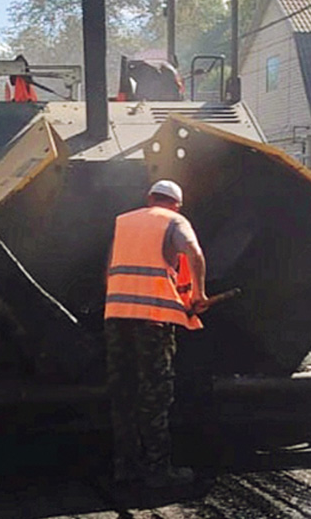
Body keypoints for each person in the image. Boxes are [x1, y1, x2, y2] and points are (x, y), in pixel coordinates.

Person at [104, 180, 209, 488]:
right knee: (155, 394)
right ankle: (158, 471)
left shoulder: (123, 222)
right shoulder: (175, 221)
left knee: (122, 393)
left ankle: (124, 467)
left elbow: (108, 269)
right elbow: (194, 253)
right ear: (176, 204)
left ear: (149, 198)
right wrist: (199, 294)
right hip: (152, 323)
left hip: (115, 318)